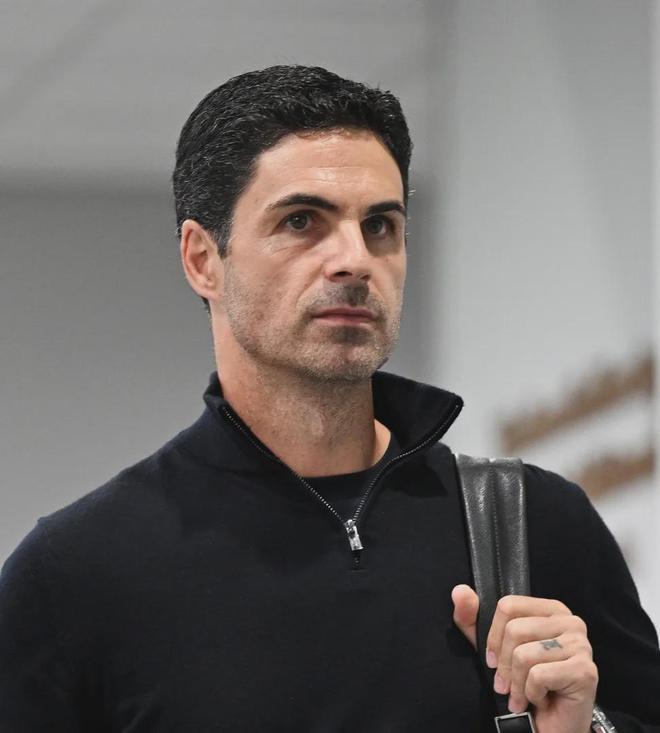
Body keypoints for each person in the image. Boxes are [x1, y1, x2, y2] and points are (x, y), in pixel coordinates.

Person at [0, 65, 659, 733]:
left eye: (380, 226)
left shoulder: (535, 526)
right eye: (301, 221)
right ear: (203, 259)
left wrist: (588, 728)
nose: (354, 259)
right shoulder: (75, 573)